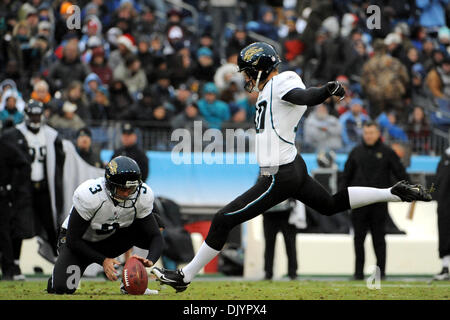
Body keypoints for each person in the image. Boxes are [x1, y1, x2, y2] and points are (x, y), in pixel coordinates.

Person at [151, 42, 433, 292]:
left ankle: (184, 276)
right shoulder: (269, 90)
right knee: (330, 204)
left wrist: (325, 91)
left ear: (260, 69)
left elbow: (302, 96)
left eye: (248, 71)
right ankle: (393, 192)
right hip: (291, 166)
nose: (246, 77)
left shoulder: (281, 81)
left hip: (279, 174)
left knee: (224, 219)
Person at [46, 156, 163, 294]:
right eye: (122, 189)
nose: (126, 194)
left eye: (131, 188)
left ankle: (128, 283)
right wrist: (103, 260)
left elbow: (155, 235)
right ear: (110, 184)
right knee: (62, 288)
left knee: (157, 222)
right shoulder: (90, 195)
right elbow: (73, 240)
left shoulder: (142, 195)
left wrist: (150, 260)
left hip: (109, 238)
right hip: (79, 243)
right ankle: (58, 275)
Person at [340, 121, 412, 280]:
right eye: (366, 133)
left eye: (371, 133)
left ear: (378, 133)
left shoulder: (387, 152)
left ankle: (381, 273)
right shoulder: (355, 152)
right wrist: (341, 197)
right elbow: (346, 176)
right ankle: (358, 273)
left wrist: (411, 189)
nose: (368, 136)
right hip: (358, 203)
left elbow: (400, 172)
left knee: (379, 239)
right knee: (358, 239)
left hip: (379, 204)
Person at [262, 200, 298, 280]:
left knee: (290, 243)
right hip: (269, 212)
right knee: (269, 244)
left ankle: (293, 273)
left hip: (287, 211)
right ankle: (268, 273)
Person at [434, 147, 450, 280]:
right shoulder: (444, 157)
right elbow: (436, 180)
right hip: (444, 205)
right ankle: (446, 267)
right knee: (444, 235)